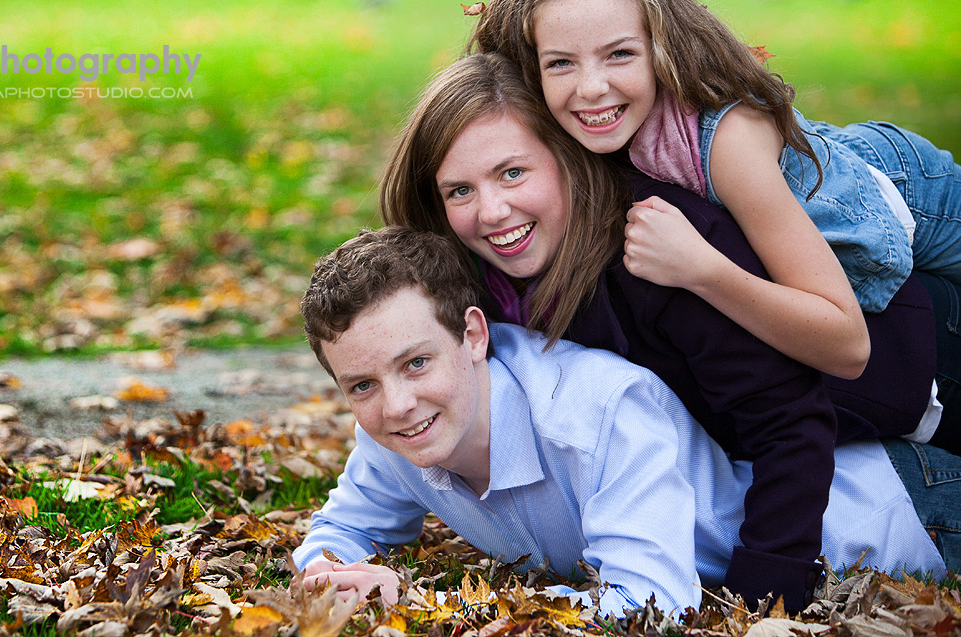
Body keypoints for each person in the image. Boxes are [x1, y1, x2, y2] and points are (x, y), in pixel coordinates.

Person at [377, 52, 961, 612]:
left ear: (563, 158)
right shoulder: (490, 290)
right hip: (862, 428)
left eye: (512, 173)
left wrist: (764, 595)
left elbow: (788, 421)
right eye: (460, 191)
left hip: (923, 368)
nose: (492, 211)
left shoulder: (656, 247)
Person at [293, 226, 956, 617]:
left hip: (901, 508)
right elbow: (343, 528)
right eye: (361, 384)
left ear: (472, 333)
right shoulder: (393, 428)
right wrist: (334, 579)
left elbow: (652, 601)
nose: (397, 403)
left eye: (415, 363)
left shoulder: (599, 408)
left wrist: (421, 602)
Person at [470, 0, 961, 381]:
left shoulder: (729, 144)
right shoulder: (575, 128)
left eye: (620, 54)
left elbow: (848, 346)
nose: (591, 88)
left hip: (912, 191)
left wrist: (701, 269)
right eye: (560, 62)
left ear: (661, 48)